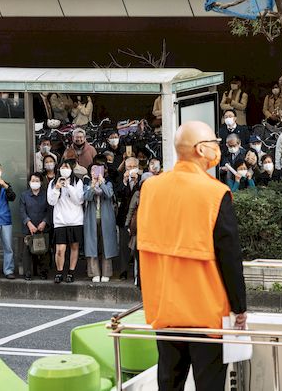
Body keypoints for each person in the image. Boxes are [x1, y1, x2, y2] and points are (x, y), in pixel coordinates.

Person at [137, 120, 247, 391]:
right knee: (209, 384)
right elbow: (229, 257)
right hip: (206, 313)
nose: (217, 148)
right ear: (200, 149)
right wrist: (239, 307)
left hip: (165, 310)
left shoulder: (151, 189)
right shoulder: (215, 192)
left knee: (169, 383)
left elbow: (142, 244)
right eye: (214, 143)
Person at [48, 161, 84, 283]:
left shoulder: (77, 182)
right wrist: (57, 188)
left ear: (71, 169)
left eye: (67, 167)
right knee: (60, 249)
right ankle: (59, 272)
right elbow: (51, 201)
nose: (64, 169)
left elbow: (79, 200)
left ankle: (71, 271)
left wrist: (68, 186)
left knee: (74, 247)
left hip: (75, 220)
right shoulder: (53, 183)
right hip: (60, 221)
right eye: (62, 167)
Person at [84, 159, 118, 282]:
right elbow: (86, 197)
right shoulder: (87, 184)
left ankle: (106, 273)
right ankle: (94, 273)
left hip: (106, 219)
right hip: (92, 219)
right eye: (93, 170)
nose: (95, 172)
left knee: (106, 245)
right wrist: (93, 185)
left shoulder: (108, 183)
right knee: (92, 245)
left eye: (98, 170)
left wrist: (102, 182)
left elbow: (109, 194)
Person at [20, 172, 51, 280]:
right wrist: (29, 223)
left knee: (44, 250)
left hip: (43, 226)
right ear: (29, 182)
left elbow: (49, 210)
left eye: (37, 181)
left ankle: (43, 272)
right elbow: (22, 211)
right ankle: (27, 272)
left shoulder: (46, 194)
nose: (35, 183)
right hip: (29, 228)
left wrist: (44, 222)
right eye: (33, 181)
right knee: (27, 250)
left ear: (41, 182)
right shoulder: (24, 195)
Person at [0, 165, 14, 279]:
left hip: (5, 220)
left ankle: (8, 270)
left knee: (8, 246)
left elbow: (12, 197)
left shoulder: (6, 184)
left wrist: (5, 186)